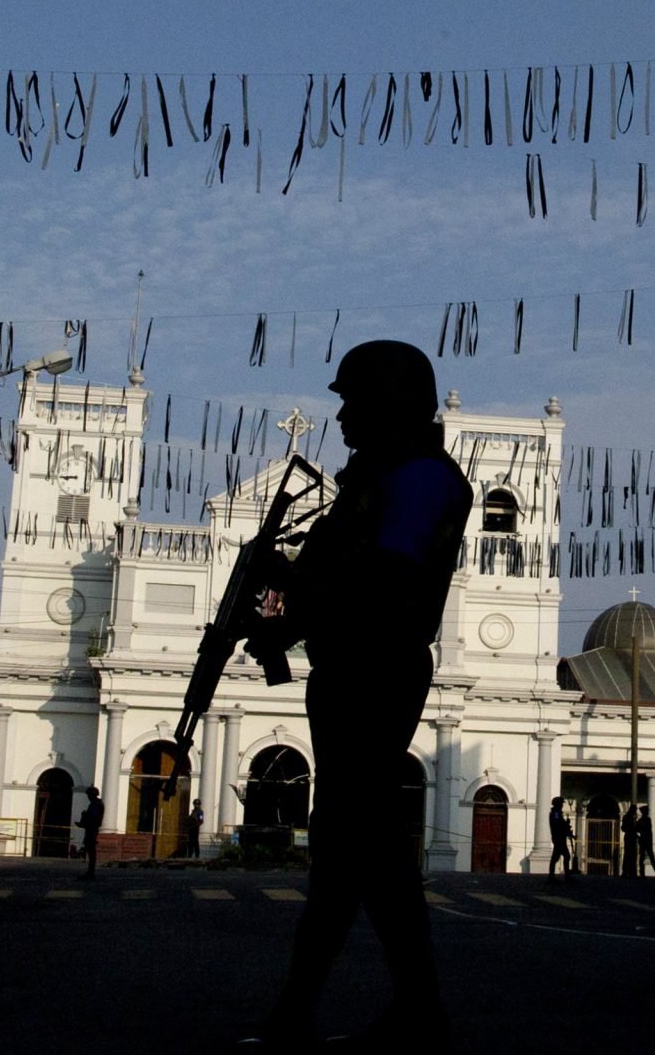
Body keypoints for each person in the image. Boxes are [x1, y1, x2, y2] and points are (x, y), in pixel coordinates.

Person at [241, 341, 471, 1054]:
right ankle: (375, 1015)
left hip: (376, 671)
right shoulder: (379, 477)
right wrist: (281, 601)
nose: (340, 416)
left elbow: (385, 583)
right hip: (351, 670)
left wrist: (296, 595)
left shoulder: (420, 477)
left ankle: (373, 1016)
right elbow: (346, 579)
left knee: (357, 843)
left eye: (353, 401)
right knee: (351, 849)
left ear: (390, 401)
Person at [546, 797, 576, 882]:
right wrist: (565, 824)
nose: (562, 805)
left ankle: (554, 876)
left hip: (559, 837)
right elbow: (557, 824)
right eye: (561, 803)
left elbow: (560, 823)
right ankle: (565, 877)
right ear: (557, 804)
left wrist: (566, 825)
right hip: (558, 838)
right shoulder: (556, 813)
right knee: (563, 856)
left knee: (557, 857)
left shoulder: (557, 813)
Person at [78, 786, 104, 879]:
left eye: (89, 795)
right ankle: (90, 872)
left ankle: (91, 872)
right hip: (92, 829)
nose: (88, 797)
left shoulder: (95, 804)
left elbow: (93, 818)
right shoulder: (97, 803)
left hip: (91, 829)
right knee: (90, 850)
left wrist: (85, 816)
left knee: (91, 851)